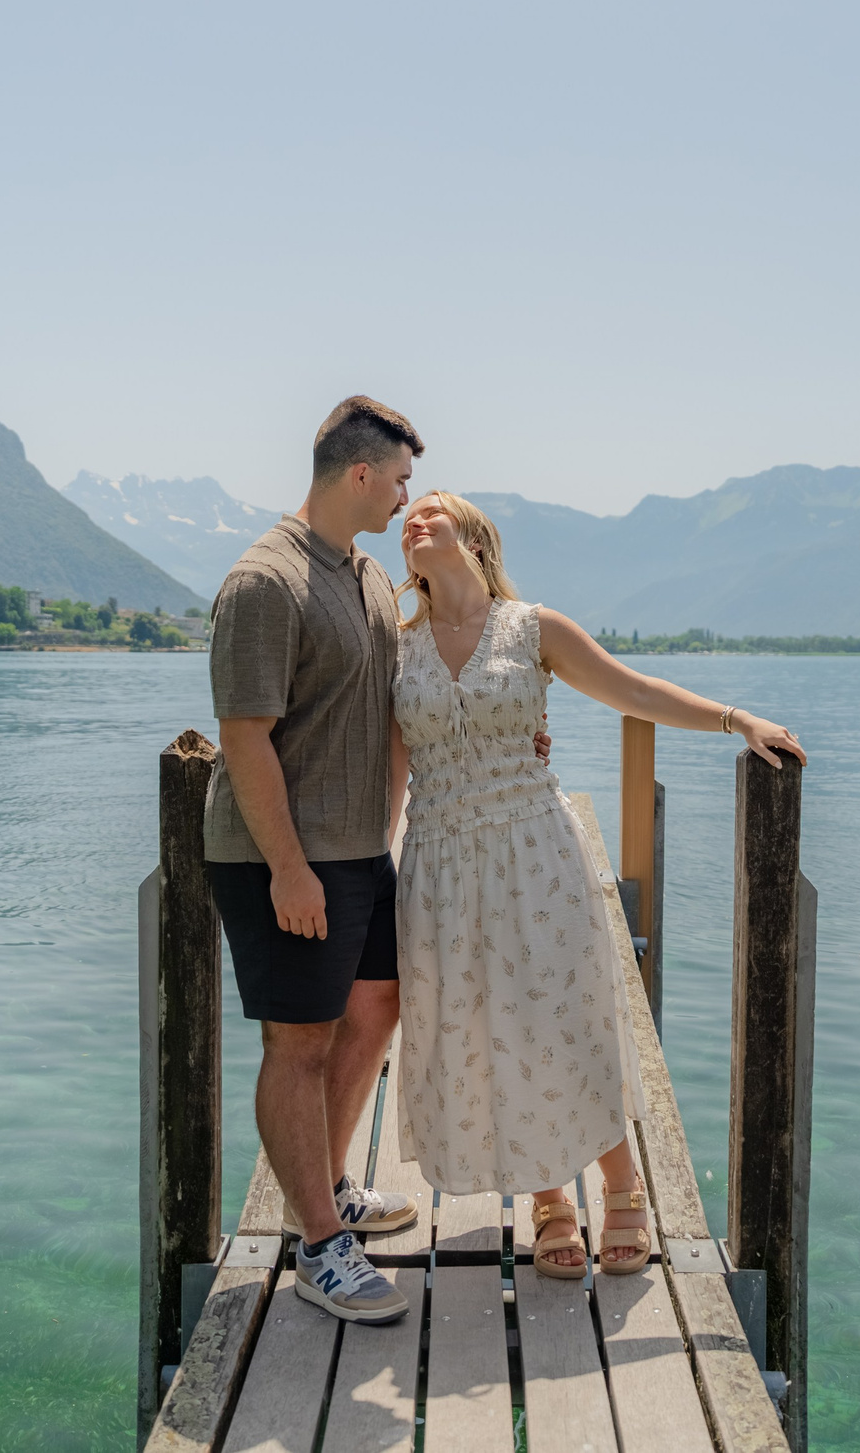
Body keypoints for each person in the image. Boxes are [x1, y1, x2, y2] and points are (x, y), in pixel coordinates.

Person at [389, 490, 804, 1281]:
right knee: (485, 1024)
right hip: (438, 863)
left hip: (534, 851)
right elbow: (388, 775)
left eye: (433, 510)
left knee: (562, 1014)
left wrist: (735, 719)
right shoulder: (397, 647)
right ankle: (551, 1201)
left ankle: (621, 1183)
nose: (416, 518)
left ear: (474, 542)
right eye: (411, 515)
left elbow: (632, 690)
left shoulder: (533, 629)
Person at [200, 396, 427, 1326]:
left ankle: (326, 1189)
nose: (409, 499)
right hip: (280, 858)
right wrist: (289, 868)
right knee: (298, 1045)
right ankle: (320, 1248)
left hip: (361, 853)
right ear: (360, 474)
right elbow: (244, 738)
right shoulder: (266, 582)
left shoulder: (367, 577)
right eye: (401, 480)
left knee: (377, 1007)